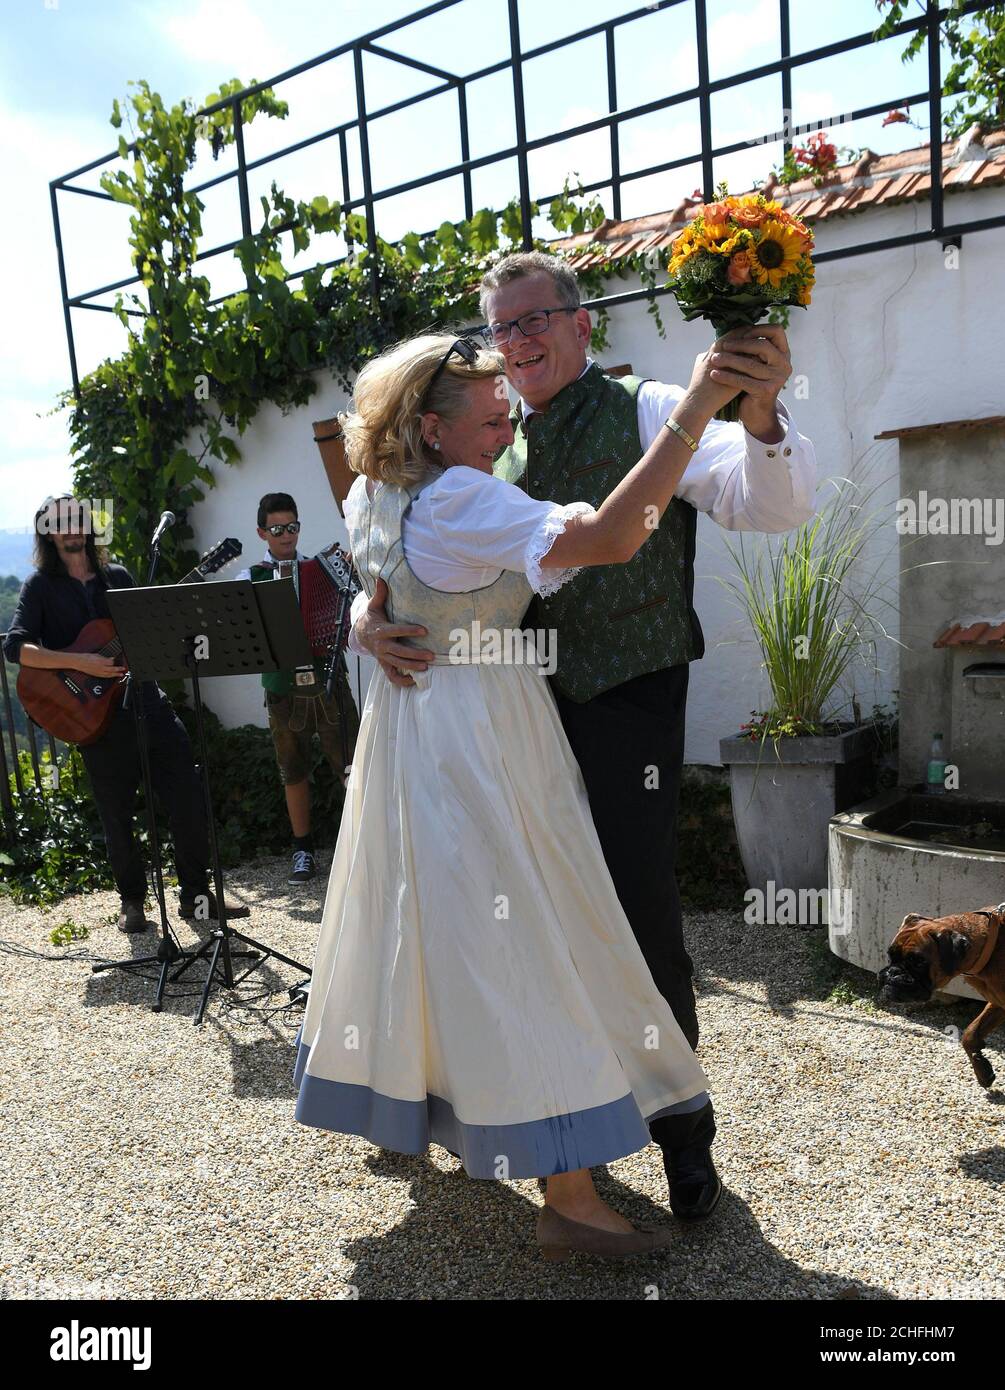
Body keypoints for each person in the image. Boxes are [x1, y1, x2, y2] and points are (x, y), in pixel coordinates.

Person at [348, 250, 818, 1221]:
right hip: (510, 710)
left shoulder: (645, 407)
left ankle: (685, 1140)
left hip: (623, 698)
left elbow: (768, 503)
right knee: (519, 917)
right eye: (504, 326)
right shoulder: (484, 441)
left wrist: (760, 416)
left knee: (634, 919)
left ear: (581, 323)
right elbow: (404, 543)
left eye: (536, 320)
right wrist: (367, 614)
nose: (519, 342)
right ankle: (565, 1125)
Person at [293, 332, 750, 1260]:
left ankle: (409, 1108)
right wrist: (696, 412)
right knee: (528, 937)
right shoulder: (461, 495)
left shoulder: (372, 487)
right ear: (430, 427)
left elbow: (371, 577)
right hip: (483, 736)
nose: (508, 425)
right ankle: (568, 1195)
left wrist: (364, 625)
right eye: (491, 415)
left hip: (408, 739)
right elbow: (616, 538)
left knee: (424, 925)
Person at [3, 495, 249, 931]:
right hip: (94, 721)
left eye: (76, 520)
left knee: (188, 797)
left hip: (146, 703)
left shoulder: (116, 577)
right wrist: (82, 663)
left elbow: (147, 634)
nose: (70, 529)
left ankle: (196, 896)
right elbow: (15, 647)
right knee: (116, 814)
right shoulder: (40, 587)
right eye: (60, 523)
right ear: (48, 532)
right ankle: (133, 902)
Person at [236, 493, 360, 885]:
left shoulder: (318, 569)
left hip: (327, 678)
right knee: (293, 770)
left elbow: (349, 606)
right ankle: (302, 849)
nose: (286, 535)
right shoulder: (249, 578)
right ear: (262, 533)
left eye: (292, 527)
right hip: (282, 687)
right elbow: (243, 630)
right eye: (277, 529)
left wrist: (351, 574)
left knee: (352, 764)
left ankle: (362, 843)